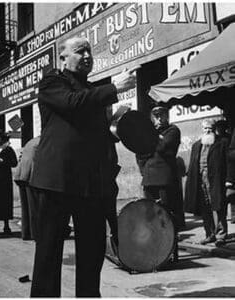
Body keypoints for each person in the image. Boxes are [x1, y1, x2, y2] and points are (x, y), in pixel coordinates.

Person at [29, 36, 135, 297]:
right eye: (80, 51)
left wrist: (117, 126)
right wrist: (113, 88)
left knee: (92, 251)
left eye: (90, 50)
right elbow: (72, 103)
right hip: (57, 181)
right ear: (63, 58)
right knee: (49, 252)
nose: (87, 55)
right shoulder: (52, 82)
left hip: (91, 184)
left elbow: (97, 136)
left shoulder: (91, 92)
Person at [136, 106, 182, 230]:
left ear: (167, 116)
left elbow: (163, 148)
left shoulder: (173, 130)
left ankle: (169, 235)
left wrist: (152, 137)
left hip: (164, 178)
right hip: (149, 178)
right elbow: (140, 153)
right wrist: (143, 170)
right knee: (150, 210)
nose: (159, 119)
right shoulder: (150, 133)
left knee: (166, 210)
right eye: (156, 116)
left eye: (162, 115)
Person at [184, 119, 229, 246]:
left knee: (218, 207)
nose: (208, 130)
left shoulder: (222, 143)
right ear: (202, 129)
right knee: (205, 208)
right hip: (200, 180)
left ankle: (221, 235)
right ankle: (209, 234)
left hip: (215, 180)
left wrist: (228, 180)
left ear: (214, 129)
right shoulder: (196, 145)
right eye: (205, 128)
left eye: (210, 128)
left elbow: (227, 163)